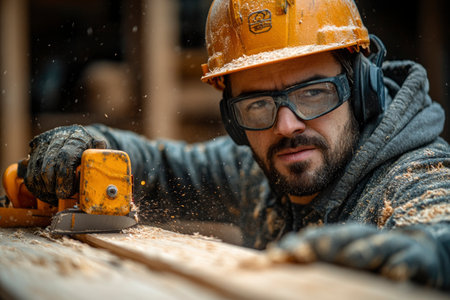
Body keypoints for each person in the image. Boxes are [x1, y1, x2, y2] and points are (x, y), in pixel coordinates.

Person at [20, 0, 449, 290]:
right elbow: (166, 171)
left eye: (314, 93)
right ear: (232, 117)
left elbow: (440, 223)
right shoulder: (259, 170)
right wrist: (94, 146)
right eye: (258, 104)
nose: (286, 126)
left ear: (363, 89)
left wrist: (431, 254)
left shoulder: (414, 176)